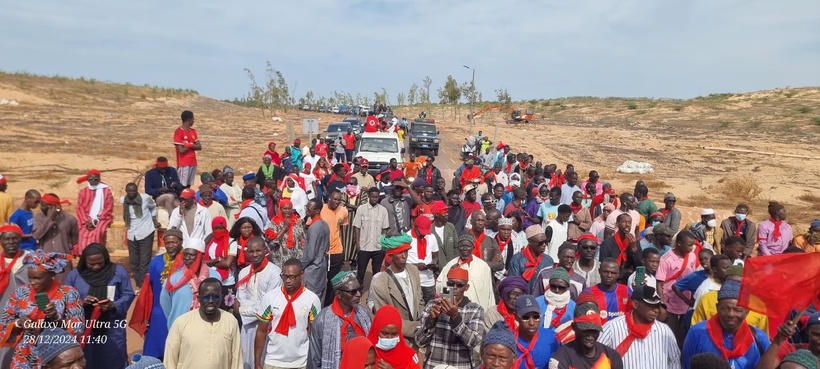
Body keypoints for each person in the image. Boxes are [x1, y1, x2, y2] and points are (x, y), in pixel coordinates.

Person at [0, 250, 84, 369]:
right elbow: (4, 325)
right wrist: (20, 323)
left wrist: (56, 318)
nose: (33, 282)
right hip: (25, 355)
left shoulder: (69, 293)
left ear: (52, 275)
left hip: (56, 355)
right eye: (30, 278)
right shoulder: (20, 293)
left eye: (38, 278)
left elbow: (78, 328)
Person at [65, 243, 135, 369]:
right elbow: (66, 298)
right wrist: (81, 303)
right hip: (85, 328)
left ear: (106, 259)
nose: (96, 267)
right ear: (84, 261)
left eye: (100, 263)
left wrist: (114, 305)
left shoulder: (118, 272)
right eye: (91, 264)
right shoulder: (74, 276)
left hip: (112, 327)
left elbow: (128, 293)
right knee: (87, 358)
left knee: (114, 358)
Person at [681, 280, 771, 369]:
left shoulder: (759, 339)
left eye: (737, 310)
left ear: (746, 312)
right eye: (724, 309)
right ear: (717, 308)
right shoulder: (697, 333)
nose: (730, 314)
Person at [255, 258, 321, 369]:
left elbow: (315, 334)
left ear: (301, 275)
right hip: (273, 361)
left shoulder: (312, 299)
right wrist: (257, 363)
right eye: (284, 276)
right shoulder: (270, 297)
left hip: (301, 362)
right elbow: (261, 331)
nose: (287, 281)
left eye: (292, 277)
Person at [128, 229, 183, 360]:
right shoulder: (156, 261)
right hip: (159, 309)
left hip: (180, 309)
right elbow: (149, 287)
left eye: (174, 242)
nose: (170, 245)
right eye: (167, 242)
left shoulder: (187, 260)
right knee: (155, 346)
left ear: (181, 242)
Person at [416, 267, 485, 369]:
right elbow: (419, 341)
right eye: (451, 284)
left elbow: (473, 342)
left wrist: (455, 318)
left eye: (460, 285)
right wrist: (431, 321)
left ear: (466, 287)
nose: (455, 287)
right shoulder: (432, 305)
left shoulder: (475, 309)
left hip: (461, 366)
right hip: (434, 365)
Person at [164, 278, 242, 369]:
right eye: (206, 297)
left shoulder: (230, 321)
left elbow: (237, 360)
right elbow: (169, 361)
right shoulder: (181, 323)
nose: (211, 301)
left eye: (215, 297)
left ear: (221, 297)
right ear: (199, 299)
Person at [598, 285, 680, 369]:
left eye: (657, 306)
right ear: (635, 304)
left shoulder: (664, 330)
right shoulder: (613, 327)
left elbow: (674, 360)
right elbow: (595, 357)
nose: (656, 310)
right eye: (651, 305)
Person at [234, 237, 282, 369]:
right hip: (247, 327)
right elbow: (240, 298)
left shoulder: (274, 273)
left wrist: (243, 310)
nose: (255, 254)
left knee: (264, 360)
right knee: (246, 360)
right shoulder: (244, 272)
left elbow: (267, 307)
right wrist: (251, 306)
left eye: (258, 250)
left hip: (266, 326)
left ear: (265, 250)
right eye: (251, 251)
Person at [308, 271, 372, 369]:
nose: (358, 294)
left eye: (359, 290)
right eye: (352, 292)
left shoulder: (363, 315)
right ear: (339, 294)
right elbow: (314, 358)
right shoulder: (322, 320)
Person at [370, 239, 424, 346]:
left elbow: (420, 299)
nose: (405, 256)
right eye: (400, 253)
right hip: (396, 339)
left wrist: (421, 319)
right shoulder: (380, 283)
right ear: (390, 257)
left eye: (406, 252)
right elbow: (386, 318)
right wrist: (416, 328)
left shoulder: (414, 270)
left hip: (416, 338)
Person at [160, 238, 220, 329]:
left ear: (202, 256)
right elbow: (165, 303)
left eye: (191, 255)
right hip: (180, 327)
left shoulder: (215, 277)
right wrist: (174, 318)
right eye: (185, 254)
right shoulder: (174, 278)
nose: (187, 258)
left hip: (208, 327)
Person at [548, 301, 624, 369]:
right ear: (574, 327)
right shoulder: (561, 358)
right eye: (585, 330)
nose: (590, 336)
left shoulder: (612, 356)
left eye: (594, 330)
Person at [657, 230, 699, 346]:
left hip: (686, 303)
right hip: (670, 303)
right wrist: (662, 305)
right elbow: (659, 284)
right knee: (669, 335)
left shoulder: (692, 257)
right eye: (690, 245)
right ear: (680, 243)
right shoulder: (666, 259)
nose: (692, 248)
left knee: (682, 336)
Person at [437, 234, 496, 309]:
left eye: (468, 246)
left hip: (477, 310)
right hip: (456, 309)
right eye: (462, 246)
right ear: (458, 247)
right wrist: (449, 274)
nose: (464, 248)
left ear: (473, 247)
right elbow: (440, 289)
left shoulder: (483, 266)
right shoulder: (450, 265)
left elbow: (489, 292)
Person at [122, 183, 159, 288]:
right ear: (126, 191)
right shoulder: (124, 201)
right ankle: (139, 283)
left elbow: (153, 207)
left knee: (144, 261)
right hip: (132, 234)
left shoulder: (145, 198)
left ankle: (144, 286)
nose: (132, 193)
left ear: (137, 190)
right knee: (133, 262)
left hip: (145, 232)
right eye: (130, 191)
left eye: (134, 190)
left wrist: (153, 219)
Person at [513, 294, 560, 369]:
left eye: (536, 317)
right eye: (525, 317)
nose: (531, 323)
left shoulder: (552, 338)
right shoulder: (508, 341)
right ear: (516, 317)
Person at [353, 188, 389, 285]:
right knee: (360, 273)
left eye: (376, 197)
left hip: (378, 247)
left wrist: (383, 245)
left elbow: (384, 229)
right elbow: (357, 227)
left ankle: (374, 294)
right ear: (368, 196)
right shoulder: (361, 209)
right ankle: (358, 292)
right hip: (364, 246)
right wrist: (358, 245)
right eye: (372, 197)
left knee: (376, 274)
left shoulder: (383, 210)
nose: (374, 199)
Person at [367, 305, 421, 369]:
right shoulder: (366, 353)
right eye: (385, 333)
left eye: (394, 334)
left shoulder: (409, 357)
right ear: (376, 331)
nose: (389, 338)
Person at [321, 190, 350, 306]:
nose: (337, 202)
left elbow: (341, 230)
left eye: (339, 200)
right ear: (329, 198)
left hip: (336, 251)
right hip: (322, 252)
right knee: (322, 280)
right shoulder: (321, 209)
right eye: (334, 199)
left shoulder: (343, 211)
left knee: (333, 281)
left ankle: (329, 306)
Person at [75, 169, 113, 251]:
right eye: (91, 179)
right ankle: (84, 256)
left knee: (99, 231)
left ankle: (98, 253)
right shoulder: (83, 192)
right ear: (88, 180)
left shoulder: (106, 191)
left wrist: (97, 219)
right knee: (80, 232)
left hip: (102, 218)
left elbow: (108, 207)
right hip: (85, 219)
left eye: (96, 179)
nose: (93, 181)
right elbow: (80, 208)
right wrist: (86, 221)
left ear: (99, 179)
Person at [508, 225, 555, 290]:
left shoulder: (548, 260)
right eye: (540, 243)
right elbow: (514, 284)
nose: (544, 245)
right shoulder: (517, 260)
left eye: (546, 242)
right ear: (530, 242)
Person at [302, 199, 330, 303]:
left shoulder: (313, 228)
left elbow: (310, 255)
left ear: (317, 210)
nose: (306, 210)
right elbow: (327, 246)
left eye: (309, 208)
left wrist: (301, 266)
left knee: (310, 298)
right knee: (320, 296)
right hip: (322, 265)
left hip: (313, 268)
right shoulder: (325, 225)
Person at [266, 199, 308, 267]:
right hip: (281, 260)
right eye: (285, 209)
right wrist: (285, 227)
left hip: (296, 259)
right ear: (280, 209)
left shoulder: (297, 221)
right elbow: (273, 243)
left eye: (289, 208)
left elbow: (303, 239)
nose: (287, 211)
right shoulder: (274, 223)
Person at [587, 258, 632, 322]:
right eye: (606, 272)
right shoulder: (589, 293)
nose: (609, 275)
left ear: (618, 274)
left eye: (613, 273)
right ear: (599, 271)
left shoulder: (627, 291)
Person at [407, 216, 439, 304]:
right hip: (412, 280)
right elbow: (401, 262)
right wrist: (416, 266)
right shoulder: (407, 238)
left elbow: (435, 256)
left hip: (428, 280)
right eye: (421, 232)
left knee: (430, 307)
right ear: (415, 226)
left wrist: (434, 263)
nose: (423, 234)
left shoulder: (432, 237)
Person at [600, 213, 641, 281]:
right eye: (624, 222)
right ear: (617, 224)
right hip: (612, 279)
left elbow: (640, 266)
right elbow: (604, 265)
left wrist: (635, 251)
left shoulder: (635, 242)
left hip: (630, 279)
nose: (627, 225)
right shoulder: (607, 243)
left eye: (629, 222)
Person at [341, 177, 366, 269]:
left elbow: (363, 207)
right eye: (349, 183)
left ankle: (354, 261)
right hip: (345, 224)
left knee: (356, 240)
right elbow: (341, 206)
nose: (350, 186)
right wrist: (355, 207)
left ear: (356, 184)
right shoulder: (343, 194)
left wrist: (349, 205)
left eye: (352, 184)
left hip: (358, 222)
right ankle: (343, 261)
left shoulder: (362, 194)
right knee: (344, 241)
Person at [173, 110, 202, 188]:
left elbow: (199, 147)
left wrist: (189, 145)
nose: (194, 121)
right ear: (189, 120)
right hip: (183, 163)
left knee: (189, 185)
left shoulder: (193, 131)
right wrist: (192, 145)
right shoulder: (178, 132)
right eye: (193, 119)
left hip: (193, 162)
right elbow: (181, 150)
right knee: (182, 185)